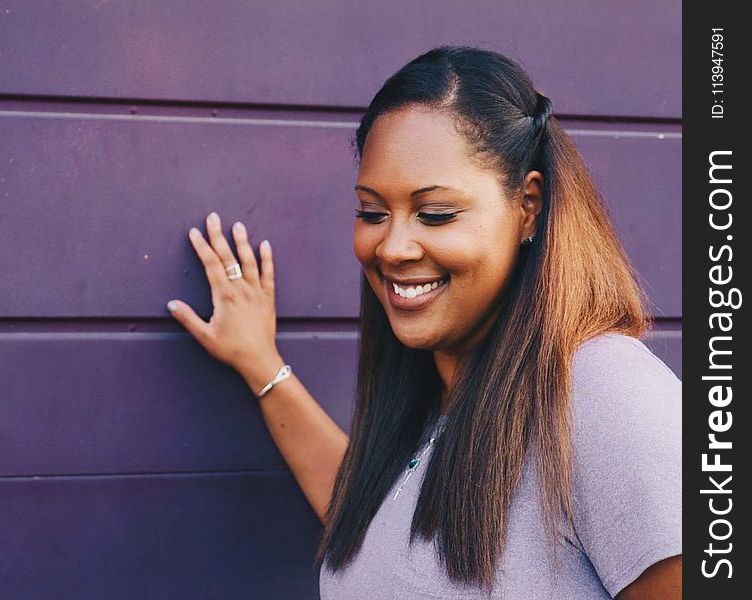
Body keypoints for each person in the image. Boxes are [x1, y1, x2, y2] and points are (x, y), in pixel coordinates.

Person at [165, 46, 681, 599]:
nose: (392, 246)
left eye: (435, 214)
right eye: (372, 212)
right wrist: (260, 364)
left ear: (528, 205)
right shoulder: (439, 392)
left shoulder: (602, 391)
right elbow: (377, 530)